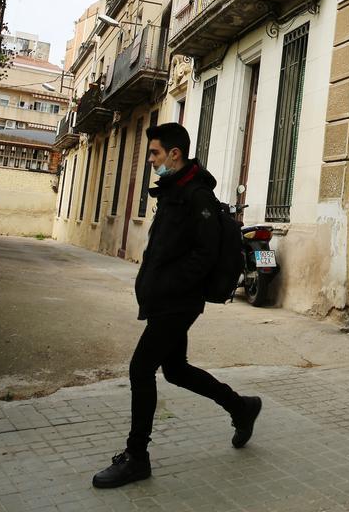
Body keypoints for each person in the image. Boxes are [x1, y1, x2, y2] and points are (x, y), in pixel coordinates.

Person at [92, 122, 262, 489]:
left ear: (175, 153)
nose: (151, 161)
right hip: (168, 299)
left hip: (178, 302)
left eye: (155, 154)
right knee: (176, 370)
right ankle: (241, 407)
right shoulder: (175, 190)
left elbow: (204, 255)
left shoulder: (196, 195)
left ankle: (137, 457)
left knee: (141, 369)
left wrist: (169, 287)